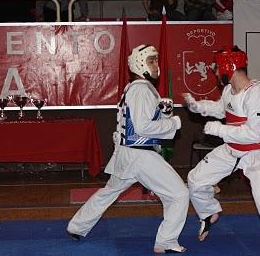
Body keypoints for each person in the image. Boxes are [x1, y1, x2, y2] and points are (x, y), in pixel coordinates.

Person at [67, 44, 189, 254]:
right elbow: (142, 128)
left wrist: (163, 113)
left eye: (155, 60)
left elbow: (139, 122)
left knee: (109, 192)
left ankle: (77, 226)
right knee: (179, 194)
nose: (155, 65)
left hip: (128, 155)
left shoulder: (133, 88)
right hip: (140, 155)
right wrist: (173, 123)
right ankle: (166, 241)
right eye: (151, 61)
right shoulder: (141, 90)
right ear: (140, 64)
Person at [183, 46, 260, 255]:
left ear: (229, 66)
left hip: (258, 154)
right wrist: (198, 107)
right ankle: (208, 213)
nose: (216, 72)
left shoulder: (258, 94)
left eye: (218, 67)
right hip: (233, 150)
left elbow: (254, 134)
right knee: (195, 180)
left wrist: (218, 129)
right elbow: (221, 109)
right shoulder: (229, 90)